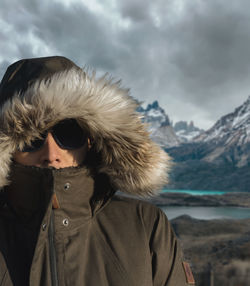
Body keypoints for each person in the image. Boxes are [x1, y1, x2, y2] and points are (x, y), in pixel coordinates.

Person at [0, 56, 194, 285]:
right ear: (8, 148)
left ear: (90, 140)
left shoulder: (145, 225)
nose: (51, 154)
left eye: (69, 133)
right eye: (30, 139)